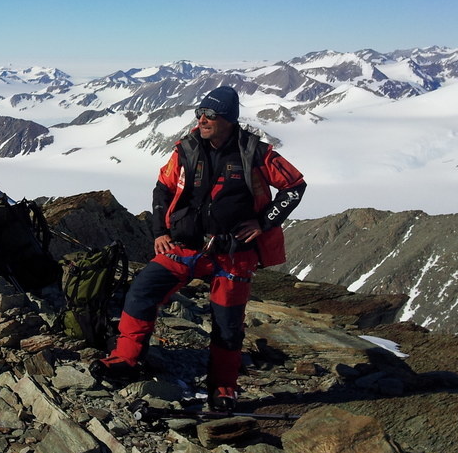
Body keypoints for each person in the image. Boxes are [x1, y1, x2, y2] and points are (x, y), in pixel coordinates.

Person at [91, 85, 306, 411]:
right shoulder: (187, 149)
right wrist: (160, 231)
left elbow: (294, 186)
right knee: (142, 289)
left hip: (233, 254)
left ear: (229, 119)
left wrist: (263, 223)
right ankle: (125, 360)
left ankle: (223, 388)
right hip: (185, 248)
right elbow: (162, 188)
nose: (202, 119)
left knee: (228, 323)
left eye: (210, 115)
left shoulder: (255, 153)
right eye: (200, 113)